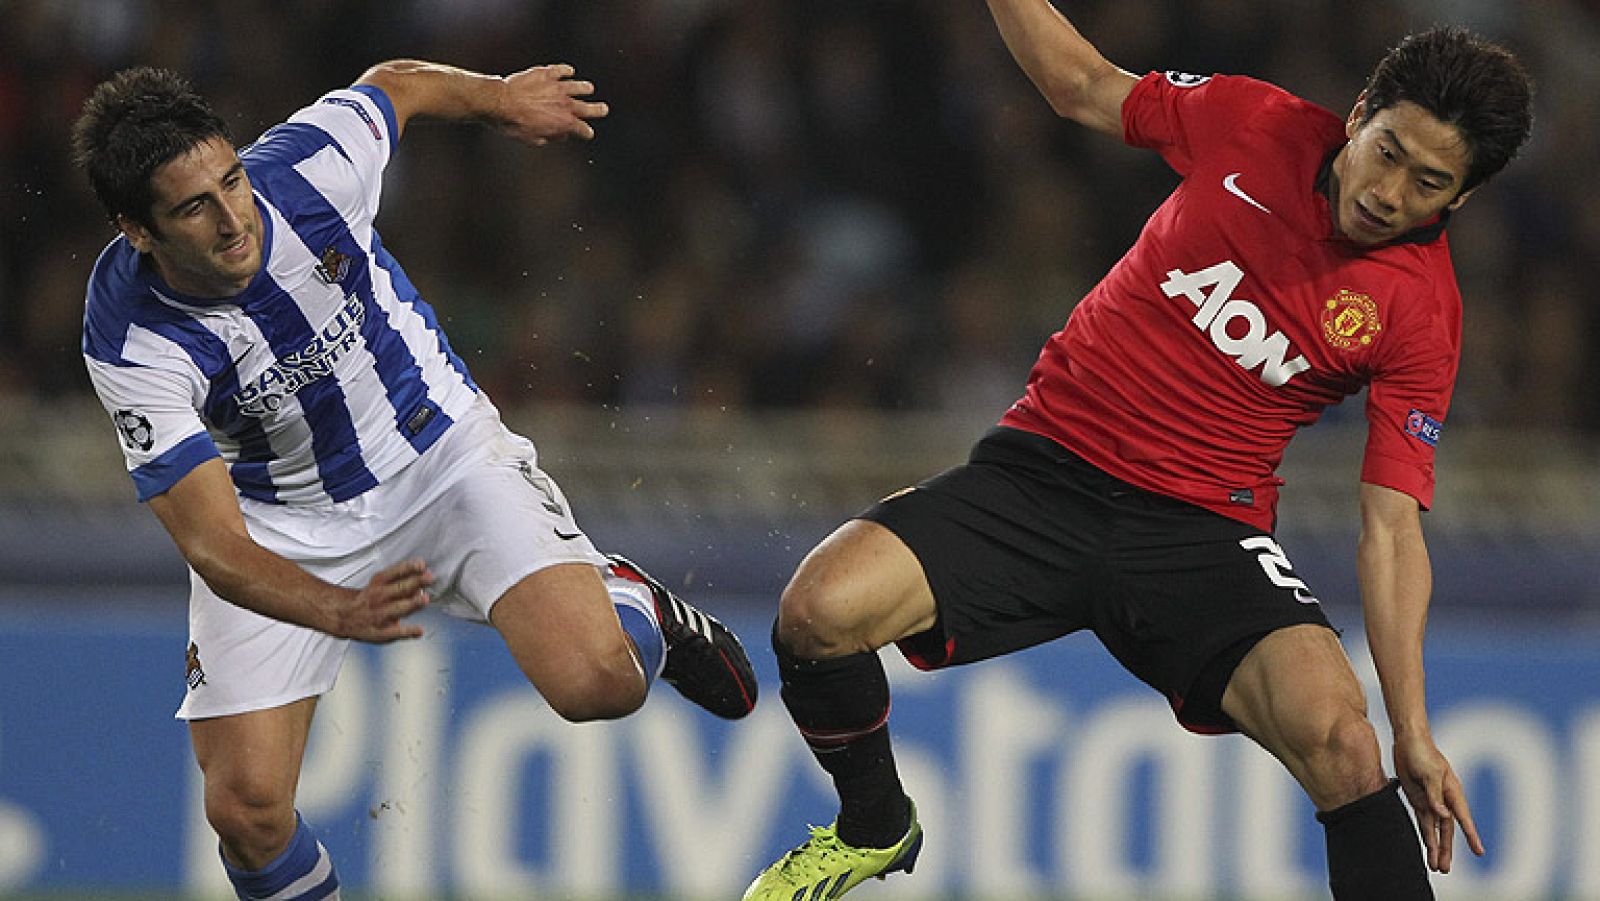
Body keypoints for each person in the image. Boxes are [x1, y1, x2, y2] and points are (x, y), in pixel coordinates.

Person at [743, 4, 1532, 899]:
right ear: (1357, 115)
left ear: (1461, 198)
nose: (1390, 193)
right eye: (1387, 152)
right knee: (815, 613)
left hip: (1200, 533)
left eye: (1429, 183)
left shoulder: (1423, 313)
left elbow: (1391, 529)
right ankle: (875, 826)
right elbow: (1079, 84)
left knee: (1347, 744)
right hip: (1041, 472)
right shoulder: (1253, 122)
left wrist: (1415, 731)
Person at [73, 60, 758, 900]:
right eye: (194, 207)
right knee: (247, 811)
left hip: (439, 455)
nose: (233, 219)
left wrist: (501, 100)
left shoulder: (308, 169)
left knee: (597, 684)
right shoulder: (131, 340)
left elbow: (395, 84)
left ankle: (637, 600)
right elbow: (214, 544)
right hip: (282, 519)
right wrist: (334, 607)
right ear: (137, 230)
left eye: (232, 181)